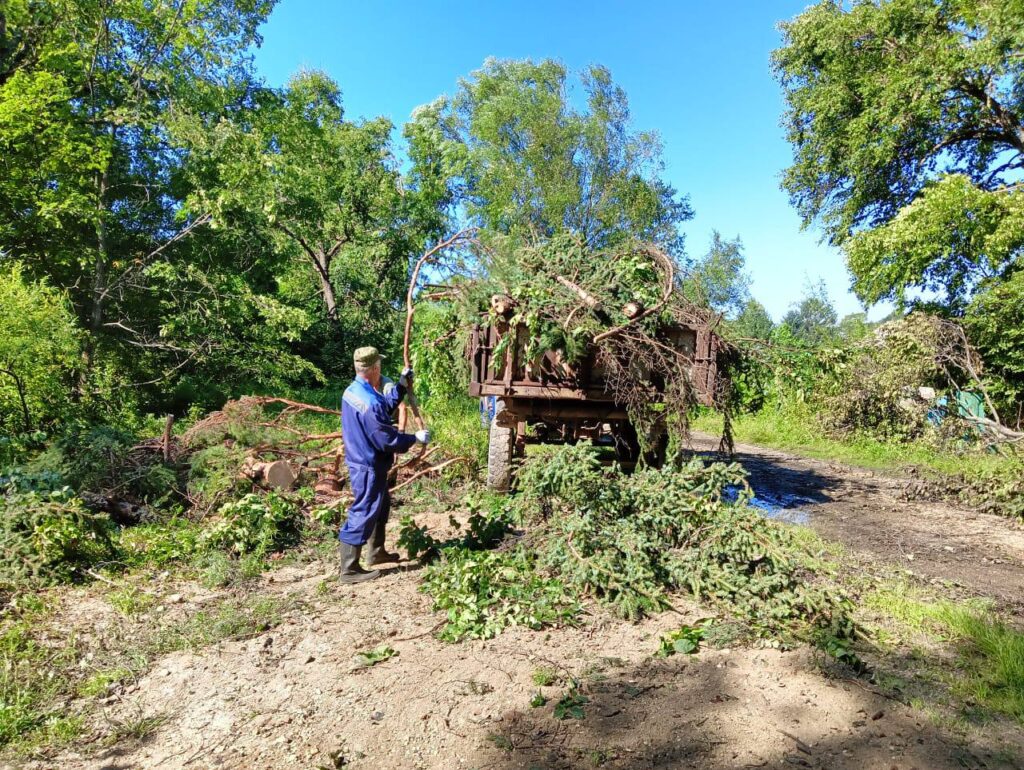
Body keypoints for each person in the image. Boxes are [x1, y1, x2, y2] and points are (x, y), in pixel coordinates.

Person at [339, 346, 430, 583]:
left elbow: (383, 409)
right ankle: (349, 570)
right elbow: (386, 440)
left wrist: (400, 385)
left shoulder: (354, 391)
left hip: (362, 459)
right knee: (364, 509)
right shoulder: (368, 400)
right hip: (368, 464)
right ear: (375, 368)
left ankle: (376, 553)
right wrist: (414, 438)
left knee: (380, 506)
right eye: (379, 366)